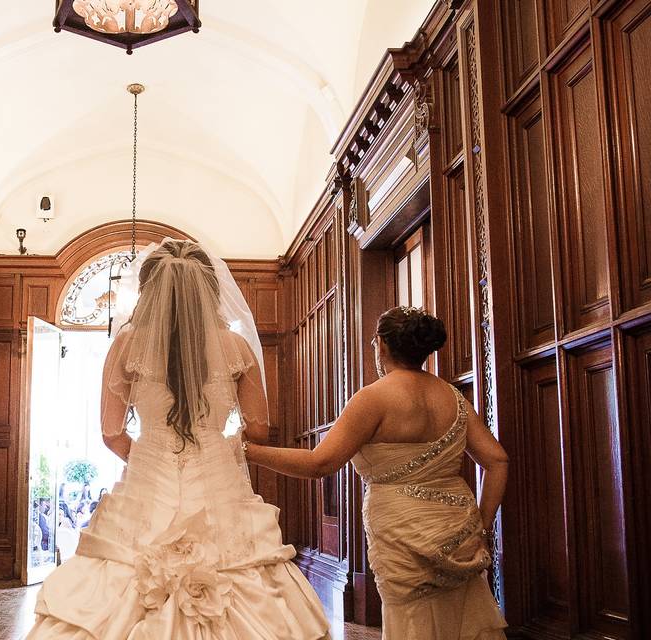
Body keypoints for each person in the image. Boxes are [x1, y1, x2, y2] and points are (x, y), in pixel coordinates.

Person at [28, 239, 330, 639]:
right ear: (210, 291)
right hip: (217, 473)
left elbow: (111, 433)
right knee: (240, 565)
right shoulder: (236, 346)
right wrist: (222, 444)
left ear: (150, 292)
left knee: (122, 571)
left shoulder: (126, 344)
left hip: (147, 475)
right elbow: (258, 430)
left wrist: (149, 456)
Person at [245, 306, 509, 639]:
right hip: (459, 525)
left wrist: (247, 452)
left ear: (381, 346)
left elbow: (320, 463)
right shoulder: (453, 398)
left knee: (410, 619)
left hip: (401, 528)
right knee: (466, 612)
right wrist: (482, 524)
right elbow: (497, 460)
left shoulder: (372, 399)